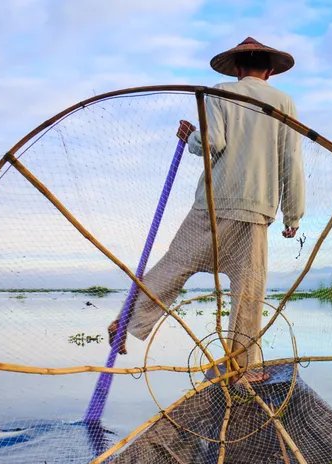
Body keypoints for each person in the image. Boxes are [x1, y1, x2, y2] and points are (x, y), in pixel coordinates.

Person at [109, 37, 305, 385]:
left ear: (238, 69)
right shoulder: (283, 101)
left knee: (175, 264)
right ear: (270, 72)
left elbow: (212, 143)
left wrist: (192, 137)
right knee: (249, 289)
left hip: (216, 201)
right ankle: (242, 369)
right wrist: (293, 215)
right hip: (257, 207)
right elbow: (291, 158)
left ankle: (128, 321)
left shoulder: (221, 92)